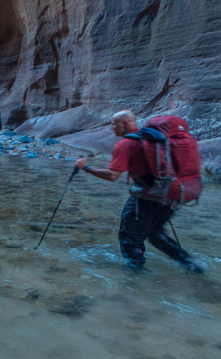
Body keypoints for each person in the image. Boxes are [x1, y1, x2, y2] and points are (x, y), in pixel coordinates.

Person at [74, 110, 203, 272]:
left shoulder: (126, 144)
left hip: (147, 197)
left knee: (129, 238)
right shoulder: (153, 139)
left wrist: (85, 167)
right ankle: (191, 264)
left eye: (114, 124)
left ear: (126, 124)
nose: (112, 128)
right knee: (156, 234)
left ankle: (135, 276)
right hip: (173, 193)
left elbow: (112, 176)